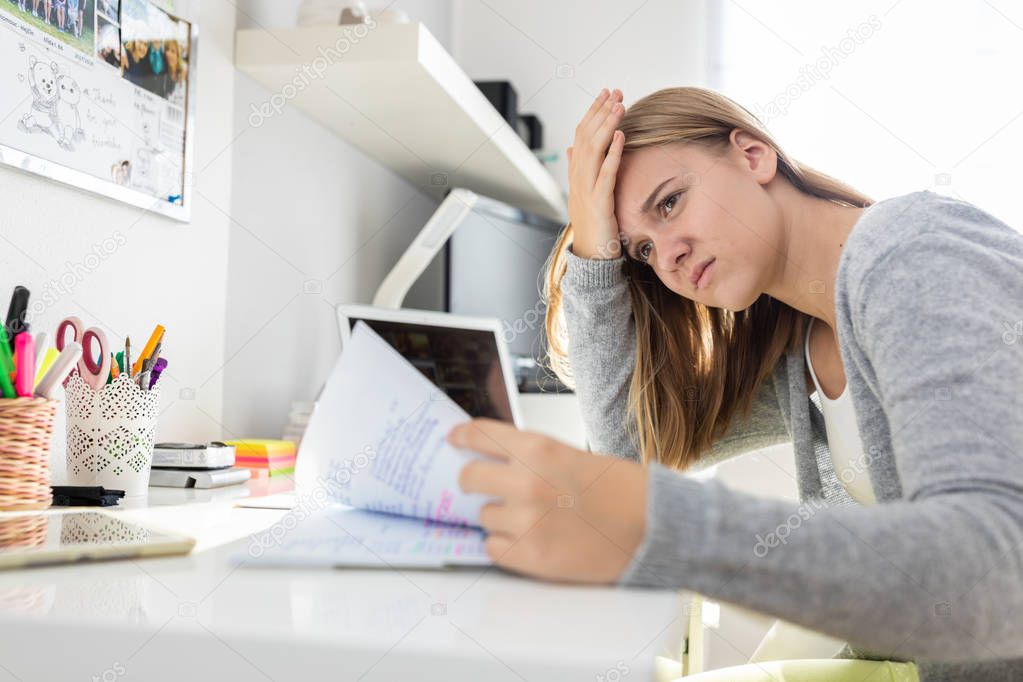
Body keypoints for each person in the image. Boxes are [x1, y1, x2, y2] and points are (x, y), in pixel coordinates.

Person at [446, 86, 1023, 681]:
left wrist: (664, 524)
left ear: (753, 156)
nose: (666, 257)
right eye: (641, 250)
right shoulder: (802, 344)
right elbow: (627, 453)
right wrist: (595, 251)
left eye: (669, 204)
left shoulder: (913, 259)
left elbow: (1000, 576)